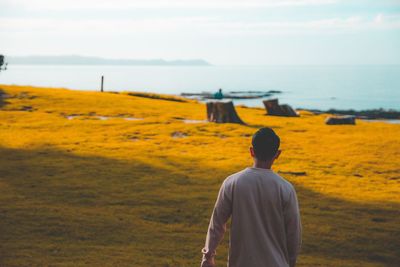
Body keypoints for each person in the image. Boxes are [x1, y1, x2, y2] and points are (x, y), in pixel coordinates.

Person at [201, 127, 302, 267]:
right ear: (277, 154)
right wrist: (291, 262)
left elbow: (217, 224)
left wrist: (208, 256)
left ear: (251, 151)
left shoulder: (233, 182)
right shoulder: (285, 188)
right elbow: (293, 233)